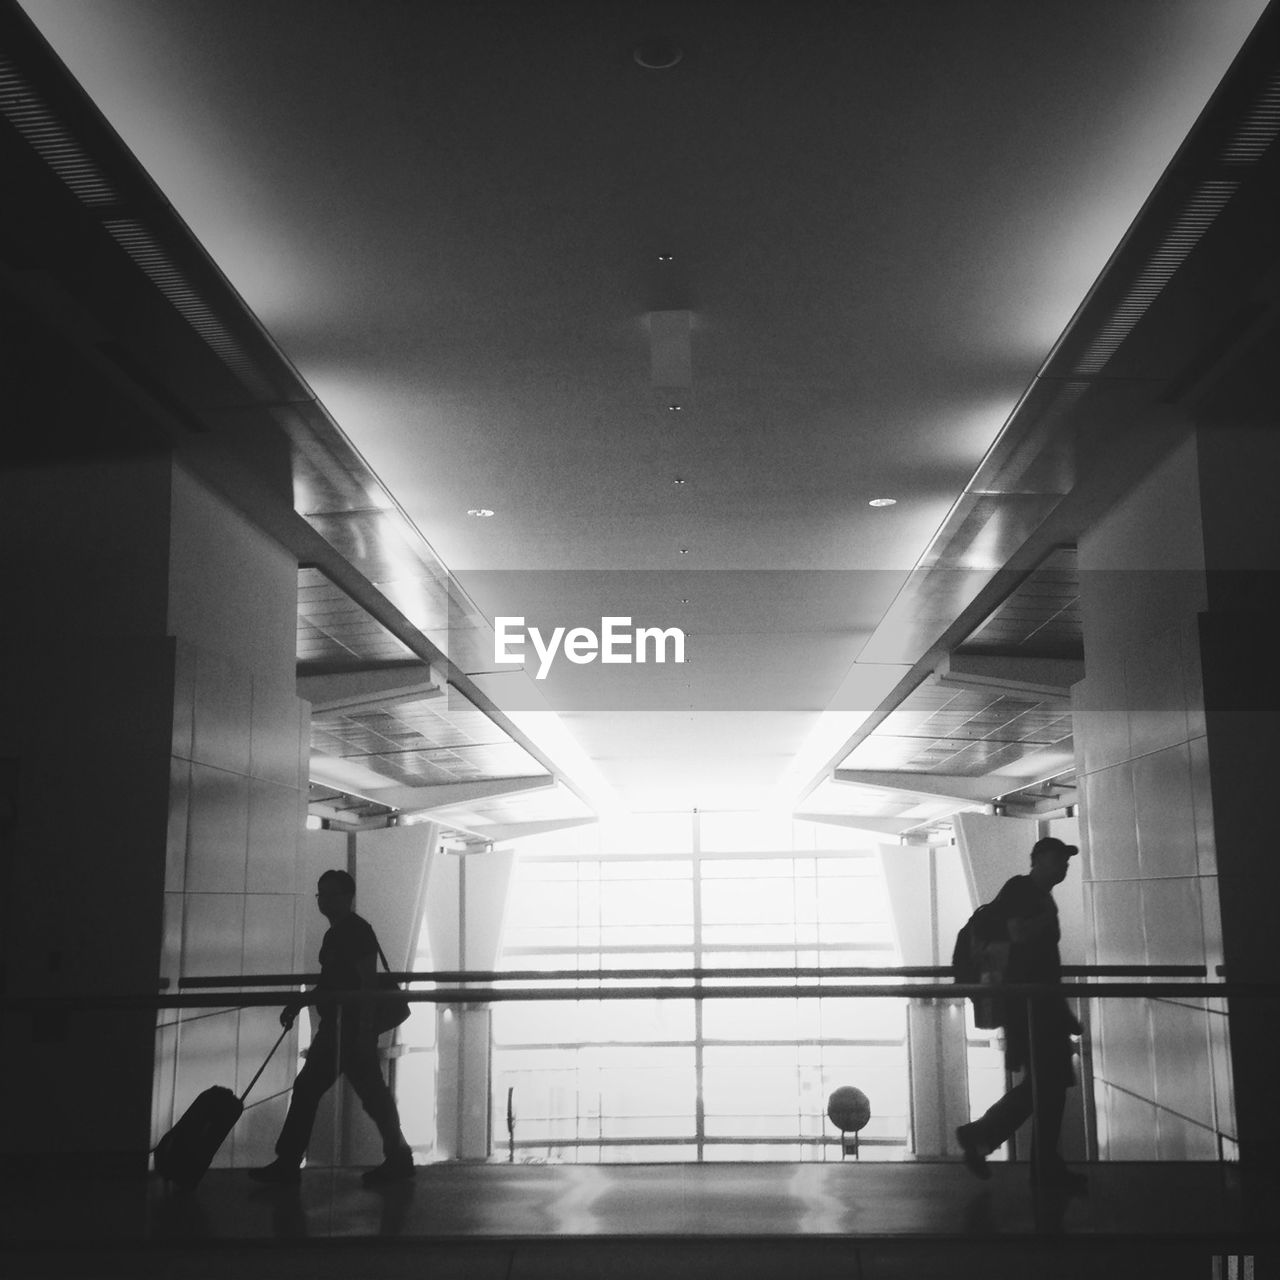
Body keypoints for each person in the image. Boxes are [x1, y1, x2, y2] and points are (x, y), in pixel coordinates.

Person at [250, 869, 415, 1186]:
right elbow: (334, 983)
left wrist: (363, 1028)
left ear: (347, 897)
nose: (322, 900)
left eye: (329, 894)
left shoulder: (353, 931)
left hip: (346, 1029)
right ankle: (399, 1157)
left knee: (311, 1089)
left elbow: (364, 981)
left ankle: (288, 1163)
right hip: (345, 1028)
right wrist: (302, 1003)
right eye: (320, 893)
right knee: (371, 1096)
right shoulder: (343, 931)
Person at [955, 836, 1086, 1193]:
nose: (1065, 866)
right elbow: (1022, 941)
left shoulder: (1038, 895)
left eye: (1067, 860)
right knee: (1048, 1086)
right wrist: (1059, 1010)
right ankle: (991, 1141)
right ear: (1039, 860)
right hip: (1030, 1007)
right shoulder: (1022, 891)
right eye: (1060, 859)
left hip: (1039, 1006)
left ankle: (1030, 1159)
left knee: (1047, 1087)